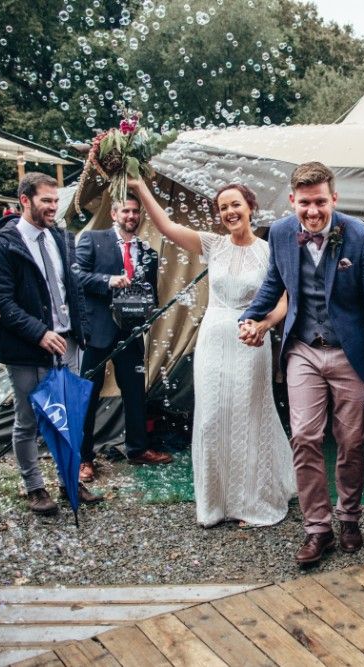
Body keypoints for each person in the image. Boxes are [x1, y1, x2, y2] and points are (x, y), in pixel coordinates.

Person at [239, 161, 364, 565]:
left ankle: (350, 516)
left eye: (320, 202)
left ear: (334, 199)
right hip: (304, 348)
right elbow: (274, 284)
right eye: (305, 203)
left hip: (350, 353)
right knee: (305, 436)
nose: (312, 211)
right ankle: (317, 528)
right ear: (293, 201)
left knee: (351, 442)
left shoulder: (362, 237)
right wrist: (249, 318)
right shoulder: (280, 234)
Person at [130, 177, 295, 527]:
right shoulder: (213, 245)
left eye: (236, 204)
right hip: (214, 338)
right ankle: (214, 503)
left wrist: (264, 326)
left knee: (248, 417)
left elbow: (283, 301)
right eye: (223, 208)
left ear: (251, 207)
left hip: (251, 339)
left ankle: (252, 502)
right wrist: (139, 186)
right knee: (210, 418)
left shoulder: (269, 251)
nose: (230, 212)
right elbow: (167, 226)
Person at [0, 172, 101, 515]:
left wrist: (81, 332)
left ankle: (69, 481)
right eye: (46, 200)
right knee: (29, 420)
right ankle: (35, 488)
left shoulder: (62, 238)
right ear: (25, 200)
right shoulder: (2, 245)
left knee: (69, 416)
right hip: (28, 348)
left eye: (55, 200)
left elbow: (73, 289)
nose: (53, 207)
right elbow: (1, 302)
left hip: (69, 344)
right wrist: (39, 332)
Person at [76, 192, 172, 481]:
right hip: (97, 332)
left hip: (131, 332)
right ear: (115, 213)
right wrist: (108, 281)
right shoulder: (92, 240)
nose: (131, 216)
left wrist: (148, 307)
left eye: (135, 212)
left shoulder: (148, 252)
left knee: (134, 390)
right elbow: (76, 275)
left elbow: (152, 293)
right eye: (126, 211)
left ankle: (138, 448)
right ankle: (84, 459)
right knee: (88, 394)